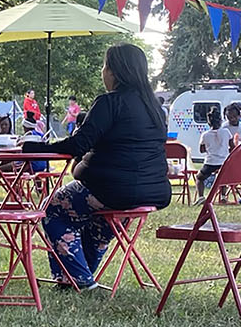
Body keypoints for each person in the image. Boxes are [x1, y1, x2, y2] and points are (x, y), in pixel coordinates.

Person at [40, 42, 171, 290]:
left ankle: (79, 278)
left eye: (104, 66)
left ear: (114, 71)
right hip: (153, 191)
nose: (103, 72)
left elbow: (78, 145)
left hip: (112, 190)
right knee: (101, 221)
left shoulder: (110, 103)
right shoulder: (155, 108)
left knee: (51, 209)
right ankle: (77, 279)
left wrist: (33, 147)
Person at [196, 105, 232, 199]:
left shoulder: (205, 135)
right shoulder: (226, 132)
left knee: (199, 178)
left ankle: (201, 197)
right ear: (220, 121)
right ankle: (223, 197)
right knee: (222, 177)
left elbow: (201, 150)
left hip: (210, 162)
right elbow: (232, 147)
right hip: (224, 162)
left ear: (209, 122)